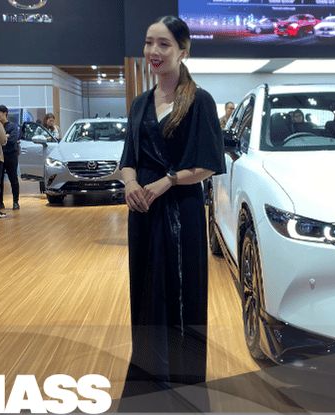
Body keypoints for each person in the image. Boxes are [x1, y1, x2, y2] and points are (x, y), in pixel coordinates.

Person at [119, 15, 225, 399]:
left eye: (164, 44)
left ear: (183, 51)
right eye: (149, 42)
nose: (154, 51)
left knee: (183, 295)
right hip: (143, 213)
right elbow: (128, 158)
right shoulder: (139, 103)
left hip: (183, 210)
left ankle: (185, 388)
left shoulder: (199, 101)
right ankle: (148, 384)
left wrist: (167, 180)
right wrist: (131, 183)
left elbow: (209, 163)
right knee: (146, 293)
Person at [0, 105, 21, 210]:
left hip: (11, 155)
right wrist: (5, 136)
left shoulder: (13, 126)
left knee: (13, 179)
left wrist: (1, 139)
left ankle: (15, 202)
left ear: (4, 113)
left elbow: (12, 140)